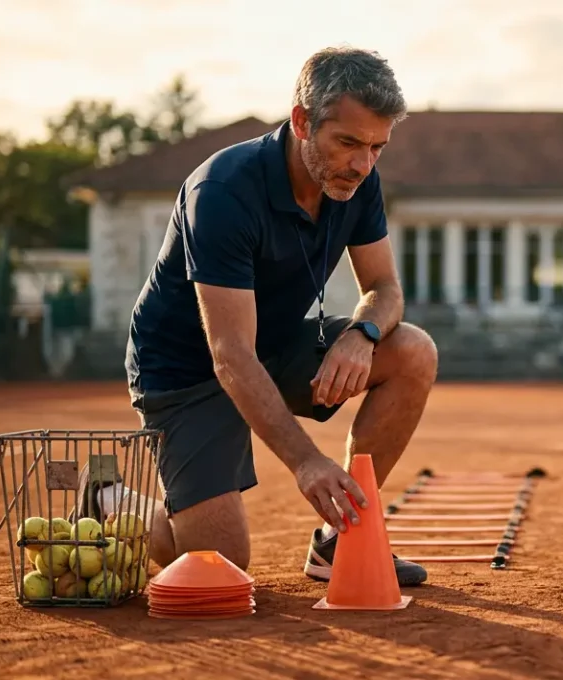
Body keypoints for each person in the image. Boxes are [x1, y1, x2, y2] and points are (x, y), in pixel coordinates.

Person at [94, 47, 438, 588]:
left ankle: (340, 538)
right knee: (221, 567)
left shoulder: (359, 180)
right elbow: (229, 354)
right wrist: (306, 461)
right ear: (301, 120)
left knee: (412, 349)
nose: (363, 163)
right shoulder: (223, 192)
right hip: (188, 370)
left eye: (377, 147)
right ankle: (109, 497)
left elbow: (385, 288)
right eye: (347, 142)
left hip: (269, 345)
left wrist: (362, 333)